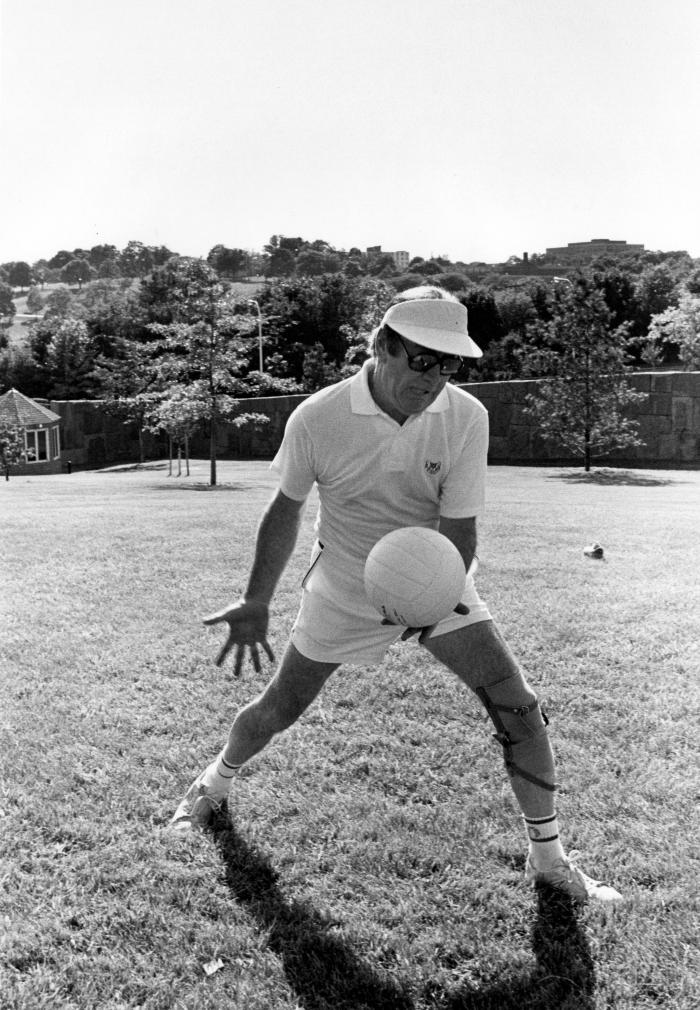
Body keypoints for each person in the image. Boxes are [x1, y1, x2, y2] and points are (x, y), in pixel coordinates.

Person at [170, 286, 622, 904]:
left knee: (519, 706)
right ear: (382, 347)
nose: (435, 378)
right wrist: (256, 600)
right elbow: (287, 511)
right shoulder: (318, 416)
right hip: (344, 585)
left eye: (449, 365)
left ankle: (549, 860)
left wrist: (428, 599)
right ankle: (213, 783)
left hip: (435, 579)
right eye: (422, 360)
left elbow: (460, 532)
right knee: (280, 708)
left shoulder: (466, 417)